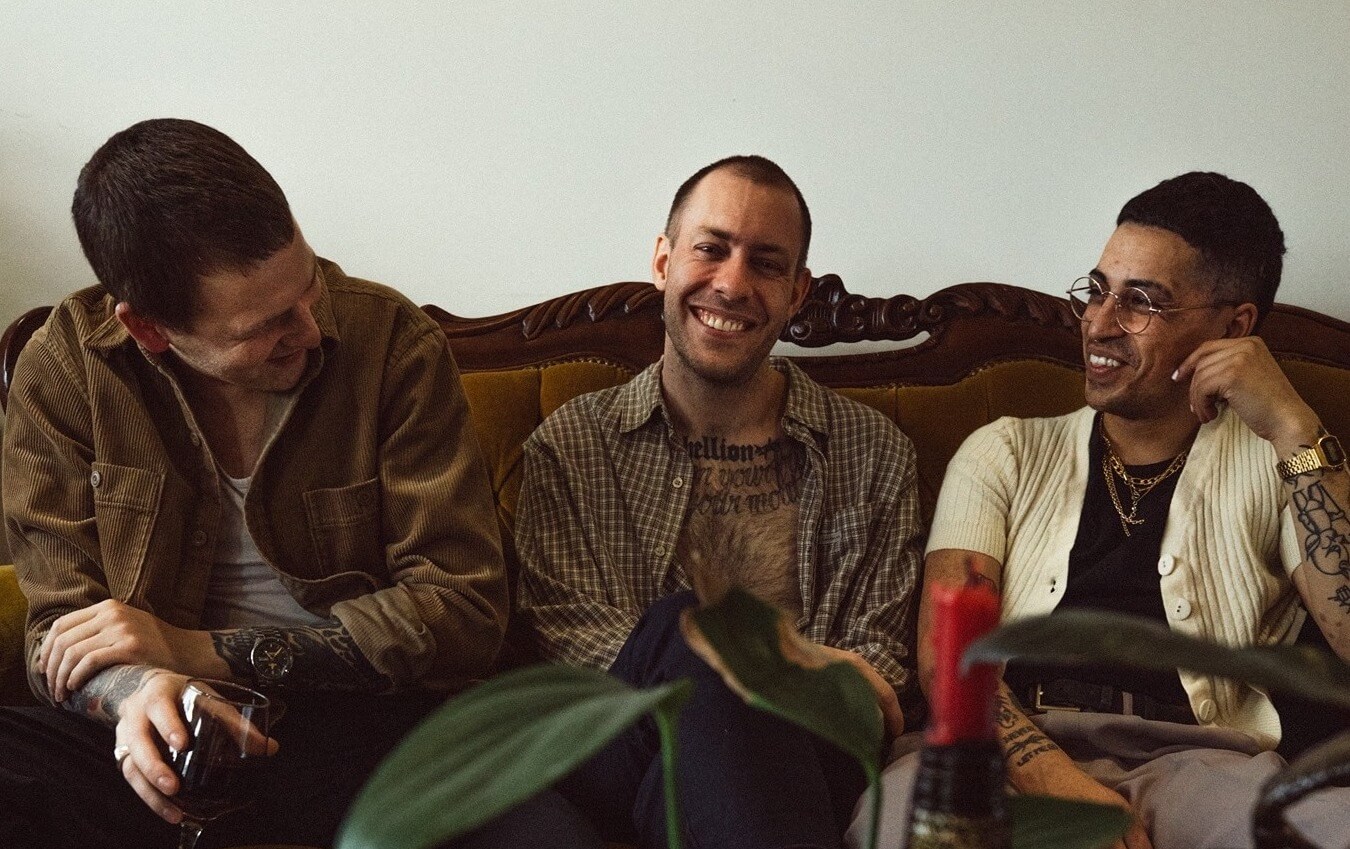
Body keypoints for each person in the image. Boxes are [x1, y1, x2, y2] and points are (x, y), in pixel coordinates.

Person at [0, 118, 509, 848]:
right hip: (163, 723)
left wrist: (196, 650)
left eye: (308, 286)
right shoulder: (65, 369)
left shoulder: (394, 343)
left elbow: (462, 611)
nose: (310, 328)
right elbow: (60, 630)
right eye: (265, 326)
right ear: (149, 329)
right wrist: (137, 690)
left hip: (367, 722)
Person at [852, 172, 1350, 849]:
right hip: (1000, 756)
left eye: (1140, 301)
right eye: (1097, 290)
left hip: (1204, 766)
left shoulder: (1280, 463)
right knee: (901, 824)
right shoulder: (1004, 451)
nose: (1098, 323)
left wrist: (1293, 424)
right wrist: (1063, 785)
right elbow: (950, 657)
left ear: (1233, 328)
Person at [461, 155, 924, 849]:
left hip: (808, 757)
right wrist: (774, 654)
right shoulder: (575, 442)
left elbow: (876, 676)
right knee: (689, 630)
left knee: (703, 655)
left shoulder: (873, 451)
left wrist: (749, 676)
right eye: (711, 249)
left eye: (766, 264)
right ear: (663, 261)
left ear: (797, 293)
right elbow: (577, 646)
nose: (732, 284)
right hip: (617, 744)